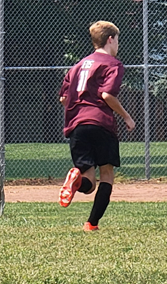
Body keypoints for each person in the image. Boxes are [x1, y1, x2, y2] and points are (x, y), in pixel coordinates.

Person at [58, 21, 136, 231]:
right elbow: (107, 95)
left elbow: (64, 99)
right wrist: (127, 117)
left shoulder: (76, 66)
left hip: (76, 125)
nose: (118, 44)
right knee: (107, 175)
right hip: (100, 122)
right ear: (111, 39)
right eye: (118, 39)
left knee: (88, 183)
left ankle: (76, 181)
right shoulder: (113, 64)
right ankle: (91, 224)